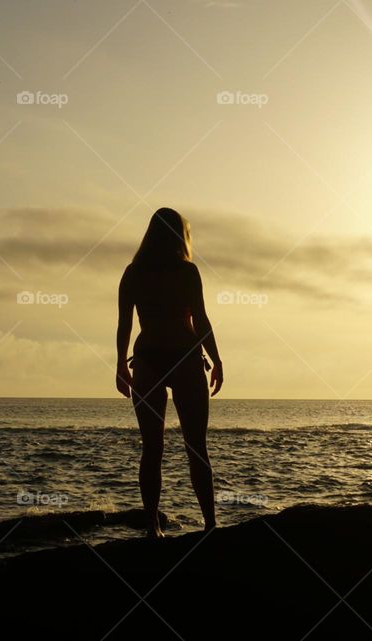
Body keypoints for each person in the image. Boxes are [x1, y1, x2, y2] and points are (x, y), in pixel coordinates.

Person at [116, 207, 223, 538]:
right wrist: (216, 359)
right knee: (196, 448)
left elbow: (124, 325)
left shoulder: (134, 272)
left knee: (152, 448)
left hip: (147, 358)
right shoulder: (187, 271)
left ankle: (152, 528)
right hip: (186, 358)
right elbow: (201, 319)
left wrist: (121, 364)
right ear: (181, 236)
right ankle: (210, 526)